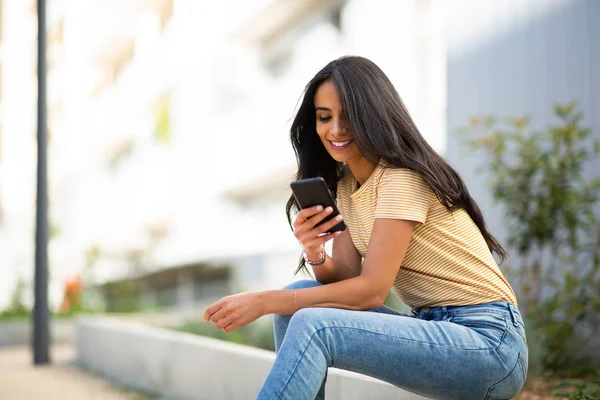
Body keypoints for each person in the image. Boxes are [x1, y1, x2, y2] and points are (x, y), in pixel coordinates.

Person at [204, 56, 528, 400]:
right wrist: (315, 253)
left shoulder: (401, 179)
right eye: (325, 117)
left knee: (310, 320)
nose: (335, 130)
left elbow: (372, 291)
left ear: (373, 117)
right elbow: (345, 280)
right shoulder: (346, 187)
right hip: (433, 329)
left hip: (490, 344)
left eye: (349, 117)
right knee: (298, 307)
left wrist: (265, 300)